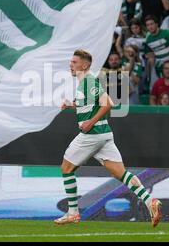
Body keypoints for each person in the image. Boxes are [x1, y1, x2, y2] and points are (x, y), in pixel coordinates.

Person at [55, 49, 162, 226]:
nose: (70, 65)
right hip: (103, 135)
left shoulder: (89, 81)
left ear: (85, 65)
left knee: (66, 168)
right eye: (71, 62)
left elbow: (108, 103)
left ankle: (73, 212)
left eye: (74, 62)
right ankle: (150, 202)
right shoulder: (83, 83)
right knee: (121, 173)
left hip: (92, 134)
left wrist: (89, 123)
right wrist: (71, 105)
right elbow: (89, 107)